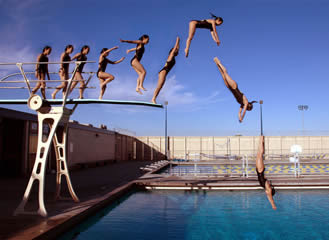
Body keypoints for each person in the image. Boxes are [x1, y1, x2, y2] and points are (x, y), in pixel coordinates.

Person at [214, 57, 256, 122]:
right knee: (225, 73)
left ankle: (217, 64)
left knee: (222, 75)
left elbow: (239, 113)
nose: (246, 109)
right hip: (234, 87)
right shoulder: (246, 102)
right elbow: (243, 112)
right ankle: (219, 62)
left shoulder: (242, 105)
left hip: (231, 89)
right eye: (247, 109)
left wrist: (240, 118)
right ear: (248, 106)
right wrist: (242, 117)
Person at [151, 37, 180, 104]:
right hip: (163, 71)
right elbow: (175, 49)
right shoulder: (170, 56)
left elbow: (177, 48)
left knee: (160, 86)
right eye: (176, 50)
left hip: (164, 73)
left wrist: (178, 42)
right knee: (159, 86)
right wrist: (177, 41)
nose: (177, 51)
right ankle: (153, 99)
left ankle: (153, 99)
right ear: (173, 51)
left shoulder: (173, 57)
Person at [256, 135, 277, 210]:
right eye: (268, 193)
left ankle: (262, 141)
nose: (267, 194)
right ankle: (261, 140)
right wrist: (273, 205)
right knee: (260, 154)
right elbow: (270, 197)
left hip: (260, 170)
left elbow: (269, 196)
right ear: (270, 191)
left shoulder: (266, 186)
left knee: (259, 154)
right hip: (260, 170)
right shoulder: (268, 189)